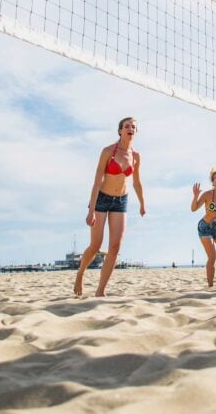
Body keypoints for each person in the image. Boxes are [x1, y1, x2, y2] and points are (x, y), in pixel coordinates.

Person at [74, 117, 146, 297]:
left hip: (121, 201)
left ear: (136, 132)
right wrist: (91, 211)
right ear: (120, 131)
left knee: (115, 247)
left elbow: (137, 182)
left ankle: (100, 291)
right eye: (127, 126)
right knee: (96, 245)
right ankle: (80, 273)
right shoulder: (107, 151)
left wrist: (142, 203)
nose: (130, 129)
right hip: (102, 199)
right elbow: (97, 181)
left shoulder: (136, 156)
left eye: (133, 127)